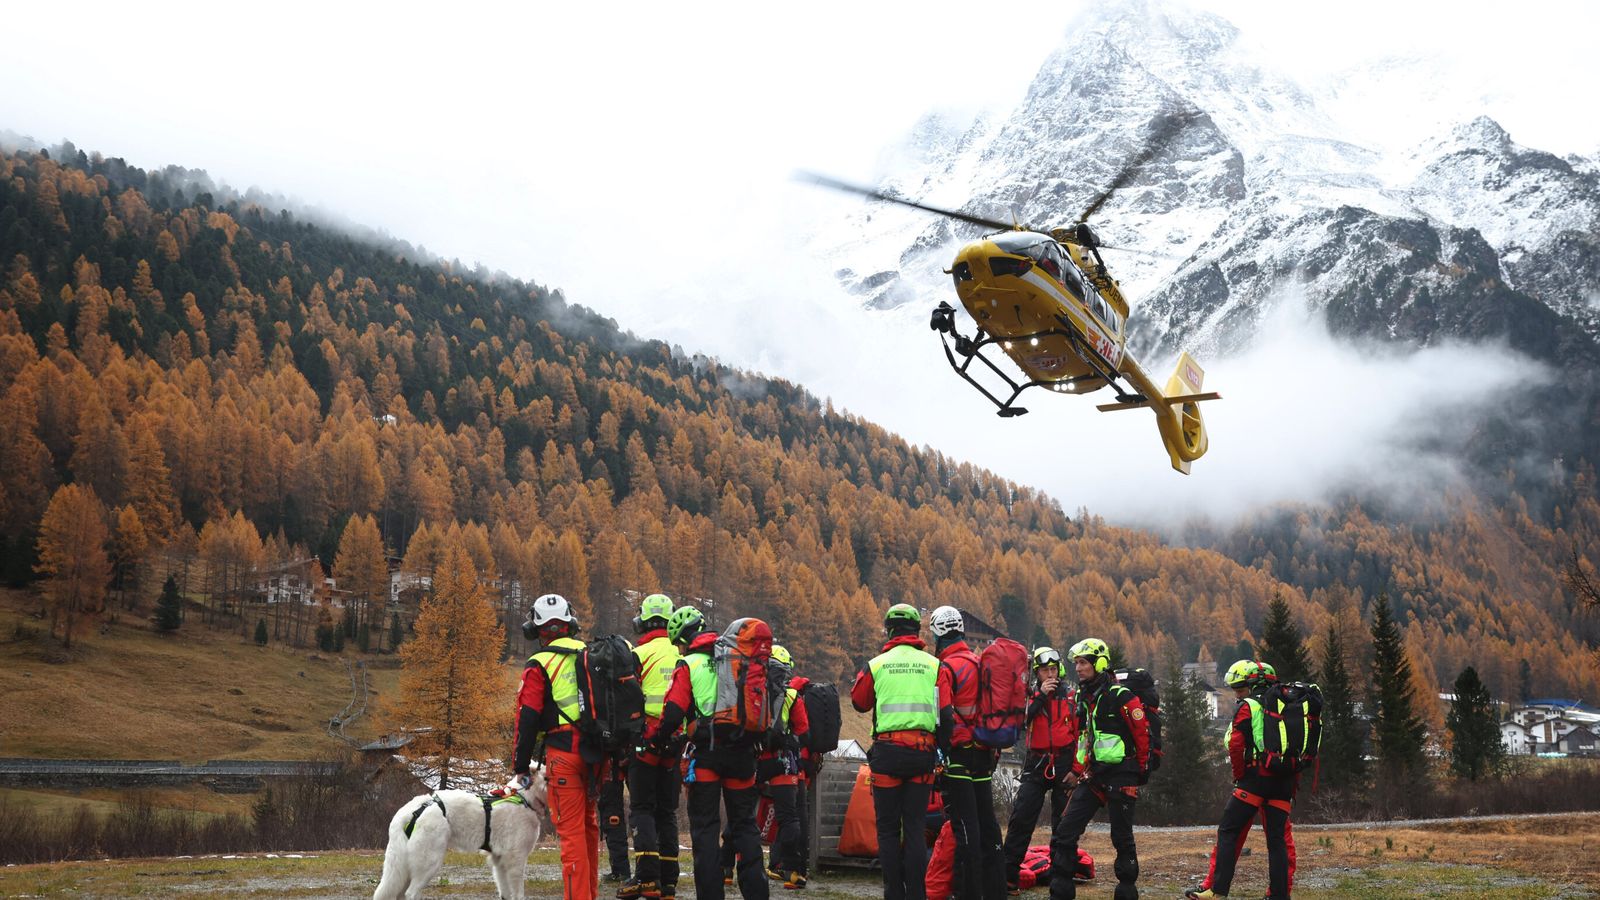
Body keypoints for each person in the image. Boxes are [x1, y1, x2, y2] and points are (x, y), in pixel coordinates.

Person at [648, 607, 769, 900]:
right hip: (742, 753)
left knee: (704, 829)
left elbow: (674, 712)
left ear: (682, 641)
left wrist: (657, 737)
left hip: (708, 756)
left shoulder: (688, 663)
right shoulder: (736, 658)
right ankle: (757, 894)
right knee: (745, 827)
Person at [850, 603, 953, 900]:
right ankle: (917, 895)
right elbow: (946, 716)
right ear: (916, 631)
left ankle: (892, 893)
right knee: (916, 826)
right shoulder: (935, 665)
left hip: (887, 755)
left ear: (889, 630)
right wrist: (942, 752)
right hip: (921, 754)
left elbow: (859, 702)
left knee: (887, 831)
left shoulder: (877, 664)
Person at [510, 593, 601, 900]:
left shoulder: (539, 663)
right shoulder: (590, 654)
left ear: (535, 630)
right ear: (570, 624)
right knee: (589, 829)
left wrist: (521, 765)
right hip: (597, 755)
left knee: (572, 834)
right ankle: (589, 894)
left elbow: (528, 718)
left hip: (563, 756)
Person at [1185, 660, 1298, 900]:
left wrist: (1239, 775)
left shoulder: (1249, 706)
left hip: (1254, 779)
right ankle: (1279, 895)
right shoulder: (1291, 707)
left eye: (1240, 688)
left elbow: (1236, 744)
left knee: (1229, 832)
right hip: (1283, 782)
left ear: (1254, 685)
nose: (1237, 693)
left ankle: (1217, 890)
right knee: (1278, 841)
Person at [1048, 638, 1149, 900]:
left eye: (1083, 663)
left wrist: (1139, 771)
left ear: (1099, 664)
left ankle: (1126, 891)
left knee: (1121, 836)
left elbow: (1142, 735)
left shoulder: (1122, 696)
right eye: (1076, 664)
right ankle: (1060, 890)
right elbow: (1084, 738)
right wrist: (1077, 769)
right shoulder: (1085, 697)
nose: (1078, 668)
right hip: (1094, 775)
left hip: (1121, 774)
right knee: (1065, 830)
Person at [929, 606, 1004, 900]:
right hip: (984, 754)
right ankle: (995, 891)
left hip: (959, 755)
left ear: (936, 634)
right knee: (988, 824)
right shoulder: (980, 662)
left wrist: (942, 751)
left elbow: (944, 715)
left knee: (965, 829)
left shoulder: (945, 668)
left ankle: (967, 893)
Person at [619, 594, 681, 900]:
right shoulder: (682, 652)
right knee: (667, 811)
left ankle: (646, 878)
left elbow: (626, 699)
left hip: (644, 740)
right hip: (675, 741)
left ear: (641, 621)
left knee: (642, 808)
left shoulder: (637, 653)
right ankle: (669, 882)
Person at [1002, 646, 1077, 894]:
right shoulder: (1030, 696)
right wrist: (1040, 697)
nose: (1050, 675)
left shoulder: (1070, 696)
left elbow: (1082, 734)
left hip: (1064, 763)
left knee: (1063, 823)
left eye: (1054, 669)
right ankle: (1008, 876)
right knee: (1022, 818)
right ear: (1038, 673)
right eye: (1045, 670)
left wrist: (1076, 769)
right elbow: (1020, 721)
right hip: (1036, 762)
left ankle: (1058, 877)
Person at [764, 644, 812, 889]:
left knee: (742, 815)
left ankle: (728, 867)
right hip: (783, 762)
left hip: (754, 760)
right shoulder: (793, 695)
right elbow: (803, 732)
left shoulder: (751, 688)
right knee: (789, 817)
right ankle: (793, 871)